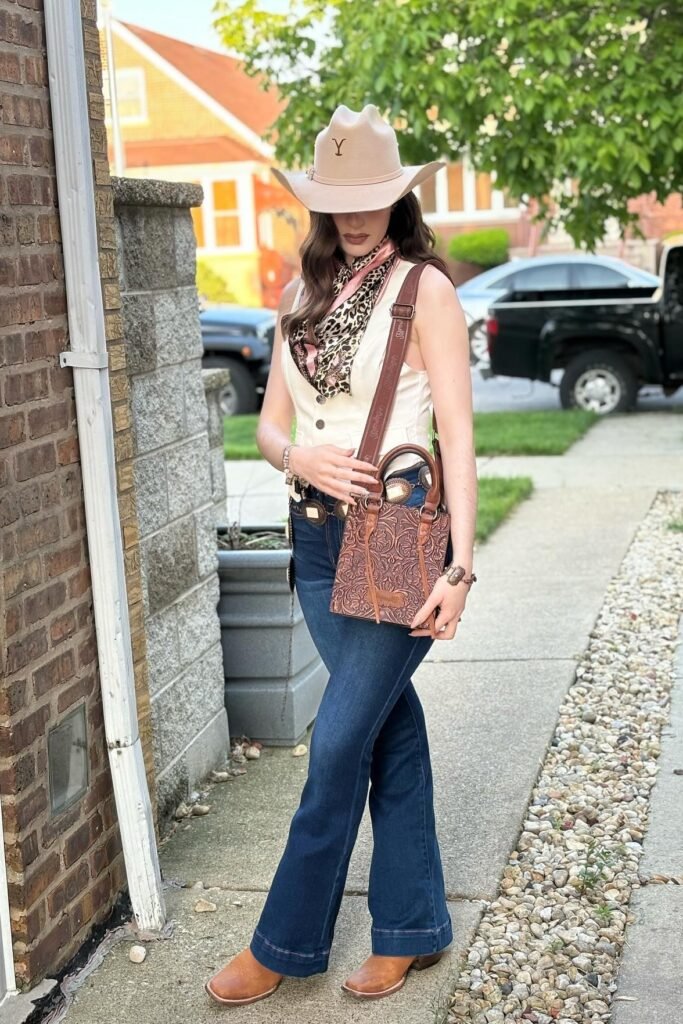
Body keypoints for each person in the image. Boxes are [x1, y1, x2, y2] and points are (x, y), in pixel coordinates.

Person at [205, 103, 477, 1006]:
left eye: (370, 196)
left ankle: (282, 943)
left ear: (396, 197)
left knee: (333, 748)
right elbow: (267, 428)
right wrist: (299, 457)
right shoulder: (300, 296)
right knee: (386, 732)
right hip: (316, 541)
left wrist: (460, 568)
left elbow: (458, 435)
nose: (354, 214)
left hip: (396, 541)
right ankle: (412, 927)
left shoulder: (423, 290)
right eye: (337, 198)